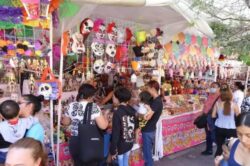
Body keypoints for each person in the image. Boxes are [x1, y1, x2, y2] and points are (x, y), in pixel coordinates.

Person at [62, 83, 108, 166]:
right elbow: (103, 126)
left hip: (75, 141)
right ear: (90, 96)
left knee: (77, 163)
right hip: (89, 141)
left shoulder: (71, 105)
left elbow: (65, 122)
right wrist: (105, 116)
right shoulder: (94, 107)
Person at [110, 87, 138, 166]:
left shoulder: (117, 112)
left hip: (121, 144)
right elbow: (136, 126)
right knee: (125, 161)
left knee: (121, 162)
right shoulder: (132, 110)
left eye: (114, 97)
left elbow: (115, 133)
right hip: (129, 141)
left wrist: (112, 150)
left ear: (118, 99)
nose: (113, 98)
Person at [212, 88, 240, 157]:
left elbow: (213, 116)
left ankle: (218, 161)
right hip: (231, 128)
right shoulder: (234, 105)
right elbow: (239, 117)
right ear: (230, 95)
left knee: (219, 147)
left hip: (219, 127)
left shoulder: (217, 104)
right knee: (231, 147)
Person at [141, 80, 163, 166]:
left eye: (148, 88)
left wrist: (143, 112)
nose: (147, 90)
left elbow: (148, 117)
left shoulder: (157, 102)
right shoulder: (153, 99)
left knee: (147, 153)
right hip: (149, 128)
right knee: (147, 151)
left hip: (148, 129)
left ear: (153, 89)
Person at [201, 82, 220, 155]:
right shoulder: (210, 95)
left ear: (218, 88)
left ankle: (222, 150)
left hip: (212, 118)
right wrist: (202, 113)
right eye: (211, 86)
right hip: (206, 117)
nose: (212, 88)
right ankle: (209, 149)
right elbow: (206, 105)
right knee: (208, 134)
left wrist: (211, 119)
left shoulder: (220, 97)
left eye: (214, 86)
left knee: (213, 135)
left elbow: (219, 109)